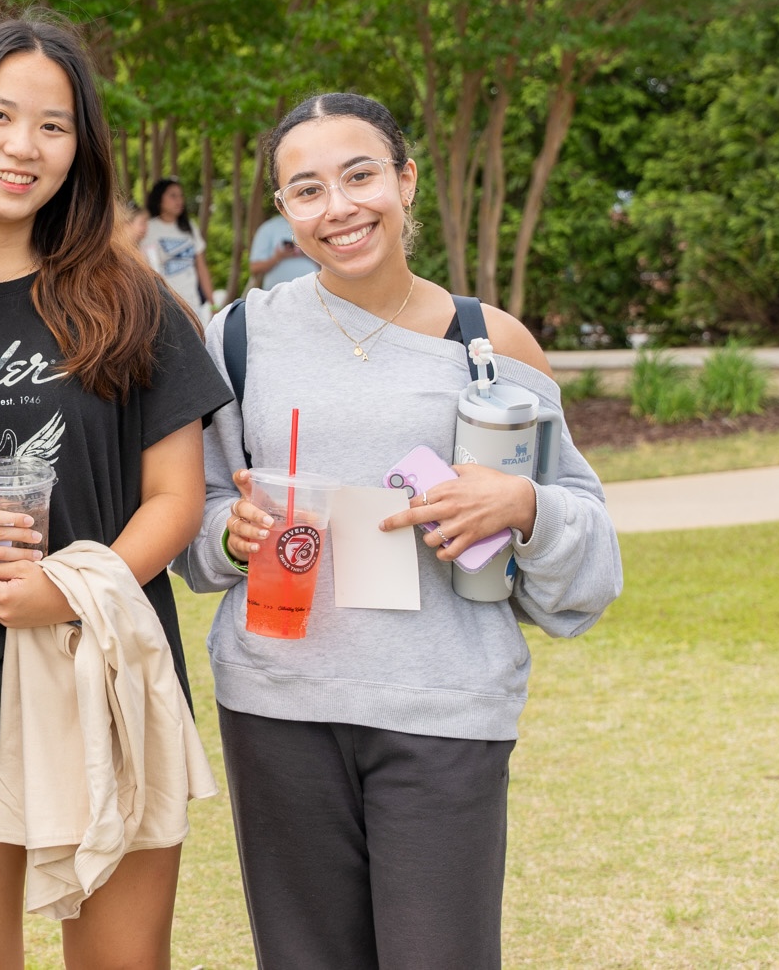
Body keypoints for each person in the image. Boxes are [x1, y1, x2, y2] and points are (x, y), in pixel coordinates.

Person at [175, 92, 621, 970]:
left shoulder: (488, 343)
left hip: (444, 710)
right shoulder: (240, 338)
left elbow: (591, 549)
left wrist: (522, 507)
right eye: (308, 190)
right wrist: (232, 532)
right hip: (278, 708)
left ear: (406, 180)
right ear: (284, 210)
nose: (339, 207)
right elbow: (195, 512)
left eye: (360, 175)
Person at [0, 16, 232, 970]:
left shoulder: (132, 300)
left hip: (104, 678)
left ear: (81, 148)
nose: (23, 146)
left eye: (53, 125)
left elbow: (175, 498)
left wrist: (67, 588)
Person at [143, 177, 211, 317]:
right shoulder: (148, 229)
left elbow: (201, 267)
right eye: (173, 196)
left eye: (181, 196)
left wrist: (213, 303)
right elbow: (146, 270)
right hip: (165, 307)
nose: (179, 200)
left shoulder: (189, 227)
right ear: (159, 198)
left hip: (193, 305)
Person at [247, 211, 315, 290]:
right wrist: (278, 257)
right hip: (276, 293)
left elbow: (327, 264)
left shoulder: (315, 224)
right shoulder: (268, 227)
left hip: (313, 291)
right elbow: (255, 268)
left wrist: (307, 252)